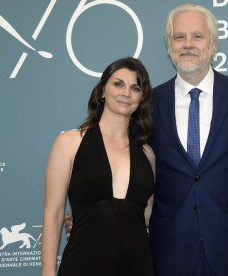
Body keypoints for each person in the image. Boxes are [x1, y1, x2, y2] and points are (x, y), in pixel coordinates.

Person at [148, 4, 228, 276]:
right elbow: (125, 163)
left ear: (213, 44)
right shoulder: (148, 103)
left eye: (197, 36)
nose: (188, 45)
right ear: (169, 46)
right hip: (169, 251)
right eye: (179, 36)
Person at [41, 57, 155, 276]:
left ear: (141, 98)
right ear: (103, 90)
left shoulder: (147, 154)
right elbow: (53, 214)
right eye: (118, 84)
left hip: (137, 266)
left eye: (135, 88)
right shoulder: (69, 143)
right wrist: (48, 272)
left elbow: (145, 216)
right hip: (82, 264)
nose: (126, 93)